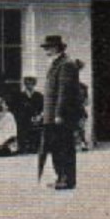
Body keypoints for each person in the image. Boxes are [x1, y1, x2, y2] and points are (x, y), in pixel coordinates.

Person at [41, 34, 83, 190]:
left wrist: (59, 114)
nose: (46, 50)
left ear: (56, 48)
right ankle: (60, 177)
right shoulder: (55, 64)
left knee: (64, 147)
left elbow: (63, 92)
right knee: (55, 146)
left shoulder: (66, 64)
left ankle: (67, 179)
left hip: (61, 116)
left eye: (48, 47)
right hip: (52, 115)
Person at [15, 75, 45, 155]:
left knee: (40, 126)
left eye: (31, 83)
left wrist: (39, 116)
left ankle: (35, 147)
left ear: (34, 84)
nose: (29, 86)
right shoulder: (20, 96)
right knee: (22, 126)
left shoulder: (39, 96)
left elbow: (43, 108)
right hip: (24, 118)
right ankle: (23, 147)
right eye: (27, 84)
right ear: (25, 84)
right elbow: (17, 109)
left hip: (37, 117)